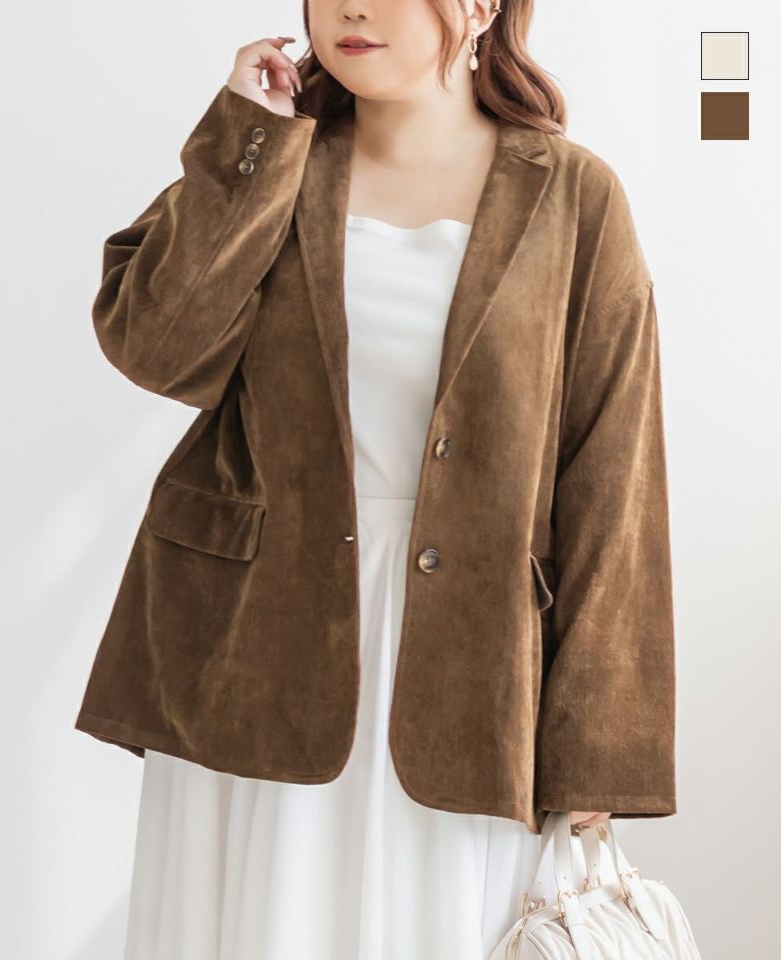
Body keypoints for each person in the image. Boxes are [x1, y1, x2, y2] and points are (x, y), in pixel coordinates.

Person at [76, 2, 677, 958]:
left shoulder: (573, 196)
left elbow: (616, 478)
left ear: (480, 7)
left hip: (474, 675)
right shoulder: (277, 159)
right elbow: (156, 346)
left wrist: (596, 744)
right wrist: (250, 138)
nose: (351, 7)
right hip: (254, 658)